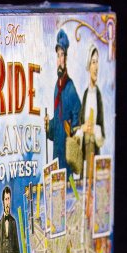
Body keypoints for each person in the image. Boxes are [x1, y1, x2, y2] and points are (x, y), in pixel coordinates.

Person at [44, 29, 80, 170]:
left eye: (62, 55)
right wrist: (49, 125)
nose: (59, 59)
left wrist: (72, 131)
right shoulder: (56, 87)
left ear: (66, 58)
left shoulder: (70, 87)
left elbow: (77, 112)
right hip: (57, 151)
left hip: (66, 152)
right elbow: (57, 123)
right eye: (58, 55)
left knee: (68, 181)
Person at [73, 46, 106, 183]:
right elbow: (79, 127)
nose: (96, 67)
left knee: (93, 184)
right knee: (83, 185)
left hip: (94, 150)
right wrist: (83, 128)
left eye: (97, 62)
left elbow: (101, 132)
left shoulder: (98, 95)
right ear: (88, 66)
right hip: (84, 151)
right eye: (93, 62)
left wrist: (95, 130)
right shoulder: (86, 94)